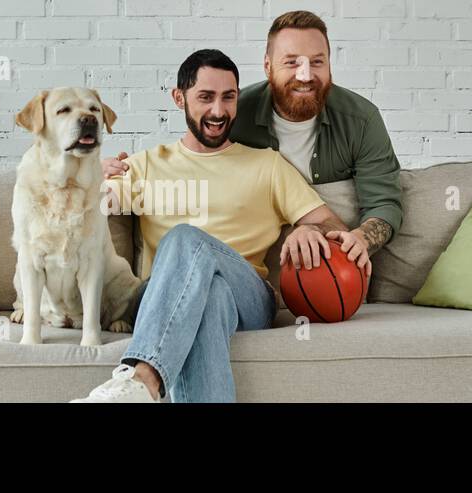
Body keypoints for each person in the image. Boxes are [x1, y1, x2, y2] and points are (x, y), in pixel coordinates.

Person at [70, 49, 366, 403]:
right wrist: (85, 175)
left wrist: (310, 229)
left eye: (228, 97)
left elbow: (333, 224)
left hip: (250, 298)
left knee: (185, 239)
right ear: (179, 98)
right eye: (205, 97)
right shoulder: (145, 165)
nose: (218, 111)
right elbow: (75, 214)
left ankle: (142, 379)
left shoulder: (266, 165)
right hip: (160, 298)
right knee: (211, 295)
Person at [233, 10, 404, 268]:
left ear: (330, 64)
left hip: (333, 272)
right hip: (253, 271)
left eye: (317, 62)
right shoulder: (233, 117)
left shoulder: (362, 119)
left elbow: (385, 205)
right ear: (267, 65)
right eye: (291, 62)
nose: (305, 75)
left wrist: (360, 239)